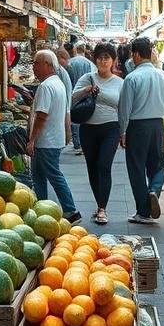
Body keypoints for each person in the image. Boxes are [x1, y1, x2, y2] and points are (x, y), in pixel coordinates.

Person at [117, 37, 164, 223]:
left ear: (135, 54)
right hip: (157, 125)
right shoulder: (163, 76)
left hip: (137, 127)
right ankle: (154, 190)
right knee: (158, 163)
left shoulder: (132, 78)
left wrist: (123, 132)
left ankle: (143, 212)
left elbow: (124, 109)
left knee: (136, 167)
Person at [72, 43, 124, 224]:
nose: (103, 61)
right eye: (100, 58)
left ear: (113, 61)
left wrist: (124, 132)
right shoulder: (88, 78)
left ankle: (103, 208)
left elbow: (124, 109)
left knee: (104, 166)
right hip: (88, 129)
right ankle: (99, 204)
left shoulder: (120, 83)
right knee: (92, 168)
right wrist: (86, 90)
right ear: (95, 60)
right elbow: (72, 97)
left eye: (107, 58)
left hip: (111, 128)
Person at [26, 50, 80, 222]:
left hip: (45, 141)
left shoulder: (46, 86)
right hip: (52, 139)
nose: (33, 67)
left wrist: (32, 140)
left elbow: (42, 116)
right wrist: (67, 133)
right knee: (39, 176)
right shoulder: (58, 84)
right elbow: (64, 112)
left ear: (48, 65)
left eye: (36, 63)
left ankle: (71, 210)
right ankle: (42, 210)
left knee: (53, 176)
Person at [66, 43, 93, 153]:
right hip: (86, 91)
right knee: (84, 116)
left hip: (74, 92)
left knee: (75, 117)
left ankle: (77, 143)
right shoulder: (87, 62)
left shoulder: (70, 62)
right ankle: (84, 141)